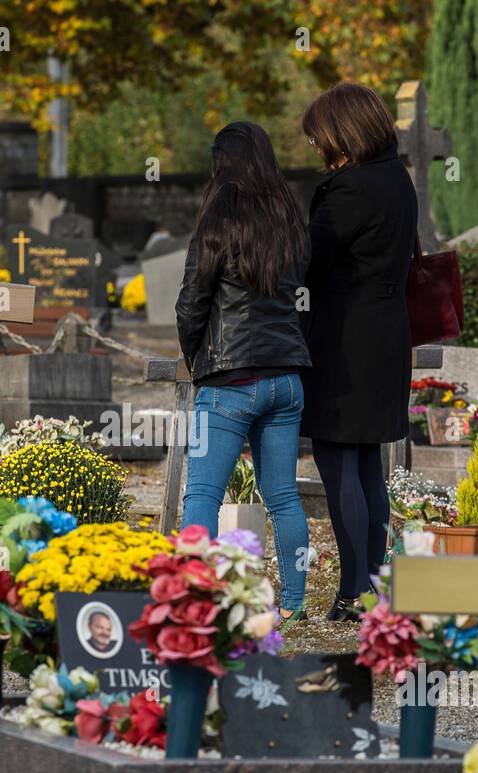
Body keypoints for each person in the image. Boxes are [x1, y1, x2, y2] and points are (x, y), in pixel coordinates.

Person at [175, 121, 312, 624]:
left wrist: (196, 357)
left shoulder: (219, 213)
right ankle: (295, 604)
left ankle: (195, 599)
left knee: (203, 495)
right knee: (283, 497)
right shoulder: (288, 215)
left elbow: (193, 299)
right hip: (287, 378)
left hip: (230, 380)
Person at [299, 82, 418, 621]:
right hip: (387, 332)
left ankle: (352, 593)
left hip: (344, 337)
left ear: (342, 132)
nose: (315, 148)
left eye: (319, 138)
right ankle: (371, 588)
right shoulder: (397, 179)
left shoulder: (348, 191)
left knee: (337, 457)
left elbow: (307, 261)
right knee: (366, 461)